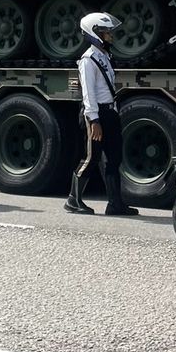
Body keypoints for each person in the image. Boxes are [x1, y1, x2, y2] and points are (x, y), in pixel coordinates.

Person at [64, 12, 138, 216]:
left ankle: (115, 204)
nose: (111, 36)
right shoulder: (88, 60)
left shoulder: (104, 56)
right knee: (91, 157)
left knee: (114, 158)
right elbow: (88, 93)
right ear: (95, 33)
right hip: (95, 115)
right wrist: (94, 120)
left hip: (109, 113)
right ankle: (73, 200)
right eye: (106, 33)